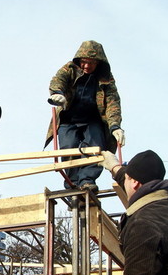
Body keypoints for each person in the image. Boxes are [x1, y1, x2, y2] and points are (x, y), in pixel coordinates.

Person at [45, 40, 125, 192]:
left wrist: (115, 126)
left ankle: (87, 180)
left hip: (92, 119)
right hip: (68, 119)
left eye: (91, 63)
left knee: (94, 146)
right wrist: (57, 93)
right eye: (83, 62)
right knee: (68, 147)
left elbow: (113, 102)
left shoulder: (105, 79)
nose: (86, 66)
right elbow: (58, 80)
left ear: (98, 63)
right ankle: (72, 184)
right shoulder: (70, 68)